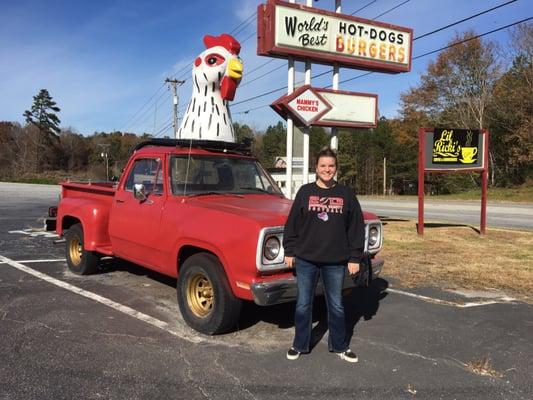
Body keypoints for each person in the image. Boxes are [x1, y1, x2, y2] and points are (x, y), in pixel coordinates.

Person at [283, 147, 365, 363]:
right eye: (323, 166)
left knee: (336, 304)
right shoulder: (305, 192)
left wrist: (355, 257)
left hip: (335, 261)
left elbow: (356, 228)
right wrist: (289, 250)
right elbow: (292, 224)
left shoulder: (346, 194)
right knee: (303, 303)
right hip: (306, 260)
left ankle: (339, 346)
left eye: (331, 166)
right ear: (316, 168)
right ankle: (299, 344)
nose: (327, 170)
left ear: (336, 168)